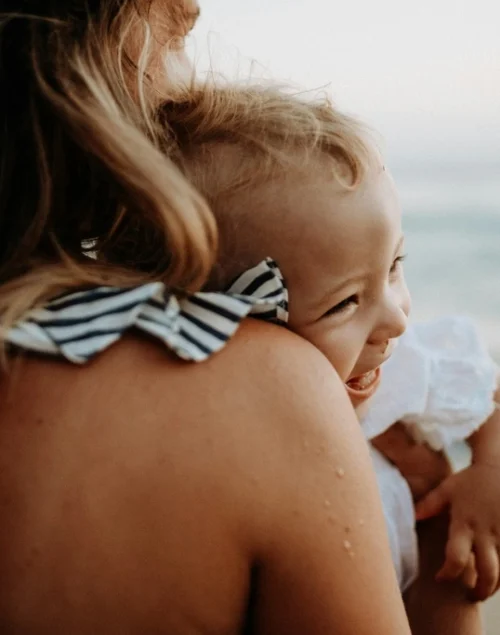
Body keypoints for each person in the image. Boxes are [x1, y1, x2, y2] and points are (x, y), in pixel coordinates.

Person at [0, 2, 412, 633]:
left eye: (397, 265)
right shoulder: (263, 384)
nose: (191, 81)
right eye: (176, 33)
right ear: (78, 59)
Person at [162, 83, 500, 633]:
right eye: (346, 302)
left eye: (394, 267)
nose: (396, 319)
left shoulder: (401, 370)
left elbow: (488, 390)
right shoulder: (214, 432)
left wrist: (488, 474)